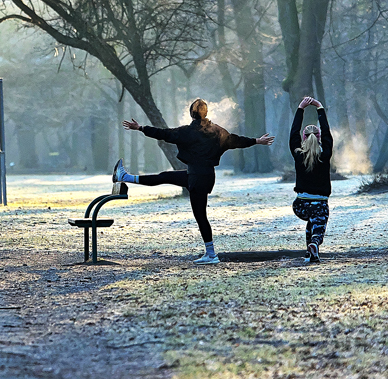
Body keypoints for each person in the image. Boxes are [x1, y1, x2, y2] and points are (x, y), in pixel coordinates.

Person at [112, 98, 275, 264]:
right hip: (202, 176)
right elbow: (236, 140)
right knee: (165, 176)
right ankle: (124, 177)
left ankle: (211, 255)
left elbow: (164, 134)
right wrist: (256, 141)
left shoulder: (187, 132)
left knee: (200, 216)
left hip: (196, 178)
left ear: (191, 113)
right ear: (206, 113)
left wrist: (140, 128)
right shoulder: (217, 131)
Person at [290, 96, 334, 264]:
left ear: (303, 138)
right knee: (319, 224)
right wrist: (319, 108)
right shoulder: (325, 154)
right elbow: (328, 133)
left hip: (300, 205)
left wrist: (300, 108)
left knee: (312, 221)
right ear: (320, 137)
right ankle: (314, 243)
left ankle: (310, 254)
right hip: (319, 202)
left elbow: (293, 133)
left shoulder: (298, 154)